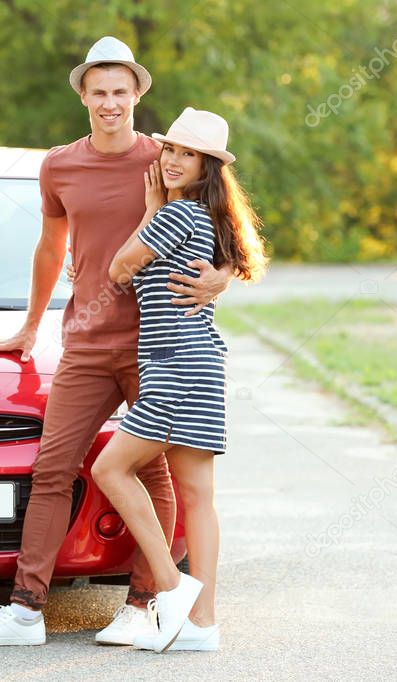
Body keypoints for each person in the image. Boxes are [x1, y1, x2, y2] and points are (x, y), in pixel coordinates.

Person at [0, 38, 236, 648]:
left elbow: (222, 211)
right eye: (98, 92)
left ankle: (143, 604)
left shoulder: (167, 157)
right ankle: (26, 611)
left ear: (137, 96)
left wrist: (224, 276)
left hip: (156, 343)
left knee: (153, 474)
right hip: (84, 340)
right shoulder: (59, 166)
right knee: (53, 468)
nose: (110, 103)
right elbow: (51, 249)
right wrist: (31, 326)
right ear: (83, 95)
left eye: (120, 92)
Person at [91, 107, 267, 652]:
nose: (172, 160)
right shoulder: (213, 220)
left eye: (187, 154)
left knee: (110, 468)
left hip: (174, 365)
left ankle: (171, 591)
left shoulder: (174, 215)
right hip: (203, 364)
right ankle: (202, 625)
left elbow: (119, 269)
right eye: (170, 149)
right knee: (199, 497)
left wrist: (150, 212)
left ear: (206, 167)